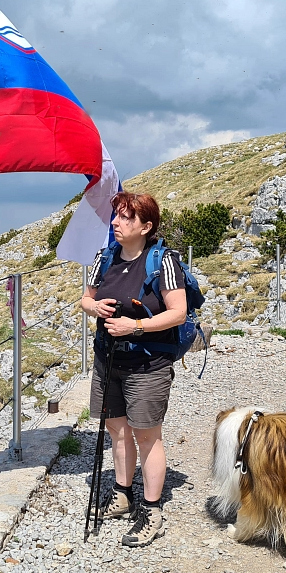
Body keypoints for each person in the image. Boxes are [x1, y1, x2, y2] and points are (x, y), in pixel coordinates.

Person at [80, 192, 186, 547]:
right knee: (116, 429)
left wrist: (134, 328)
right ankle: (123, 495)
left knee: (146, 435)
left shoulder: (162, 261)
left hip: (147, 363)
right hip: (108, 358)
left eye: (125, 218)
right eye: (116, 217)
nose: (116, 223)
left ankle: (152, 511)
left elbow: (178, 313)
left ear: (146, 226)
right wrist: (94, 308)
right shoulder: (105, 257)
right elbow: (85, 298)